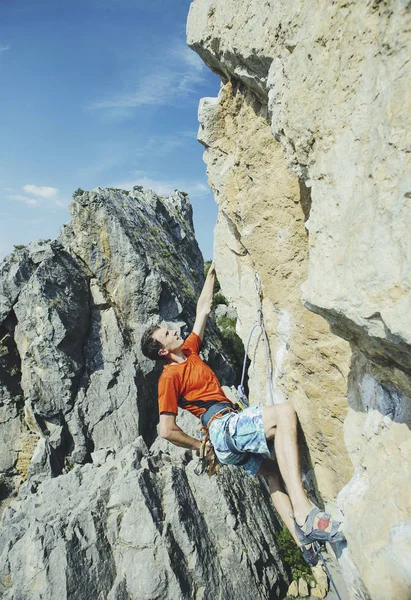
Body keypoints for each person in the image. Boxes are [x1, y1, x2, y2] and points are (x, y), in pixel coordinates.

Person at [141, 262, 345, 566]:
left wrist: (210, 273)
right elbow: (166, 430)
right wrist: (201, 446)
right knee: (284, 415)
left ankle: (302, 542)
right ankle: (305, 514)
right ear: (162, 351)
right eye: (168, 333)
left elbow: (203, 310)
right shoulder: (169, 378)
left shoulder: (191, 351)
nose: (174, 330)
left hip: (225, 435)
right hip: (222, 428)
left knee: (273, 473)